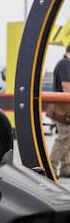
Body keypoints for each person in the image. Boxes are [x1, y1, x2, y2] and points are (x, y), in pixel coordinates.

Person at [47, 44, 70, 178]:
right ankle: (51, 167)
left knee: (67, 138)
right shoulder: (66, 63)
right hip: (63, 109)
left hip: (61, 108)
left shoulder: (63, 63)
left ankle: (66, 168)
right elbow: (66, 86)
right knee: (64, 138)